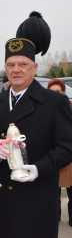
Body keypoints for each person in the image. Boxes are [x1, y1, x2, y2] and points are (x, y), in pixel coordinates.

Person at [0, 12, 72, 238]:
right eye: (11, 65)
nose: (16, 70)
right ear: (5, 68)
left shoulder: (53, 103)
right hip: (4, 197)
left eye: (22, 64)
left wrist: (38, 168)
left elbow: (67, 147)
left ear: (34, 68)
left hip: (38, 198)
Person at [47, 78, 72, 226]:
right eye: (51, 92)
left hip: (69, 156)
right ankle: (53, 218)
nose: (55, 95)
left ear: (63, 93)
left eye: (58, 92)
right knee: (53, 192)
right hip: (52, 156)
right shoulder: (44, 111)